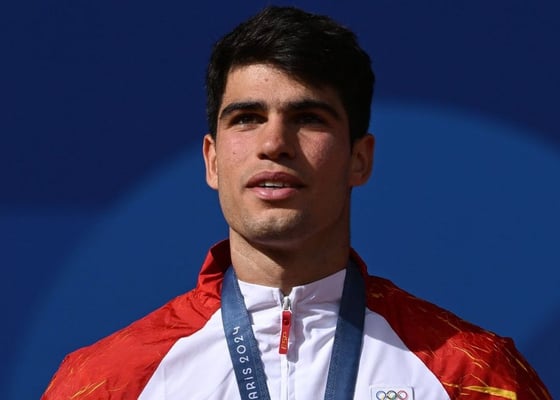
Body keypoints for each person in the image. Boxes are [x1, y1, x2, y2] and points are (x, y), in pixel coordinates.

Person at [42, 5, 551, 400]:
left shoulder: (473, 374)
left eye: (308, 118)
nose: (275, 143)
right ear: (212, 160)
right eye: (247, 118)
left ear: (359, 159)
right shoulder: (106, 380)